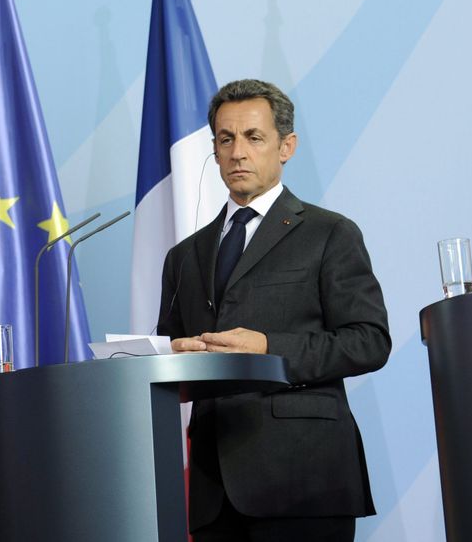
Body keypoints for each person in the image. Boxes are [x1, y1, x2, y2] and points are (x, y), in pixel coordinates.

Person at [158, 79, 391, 541]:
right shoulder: (184, 255)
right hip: (212, 491)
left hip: (304, 481)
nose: (237, 152)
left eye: (253, 137)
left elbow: (369, 340)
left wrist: (269, 348)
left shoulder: (330, 234)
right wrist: (172, 356)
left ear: (286, 147)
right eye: (225, 139)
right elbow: (169, 359)